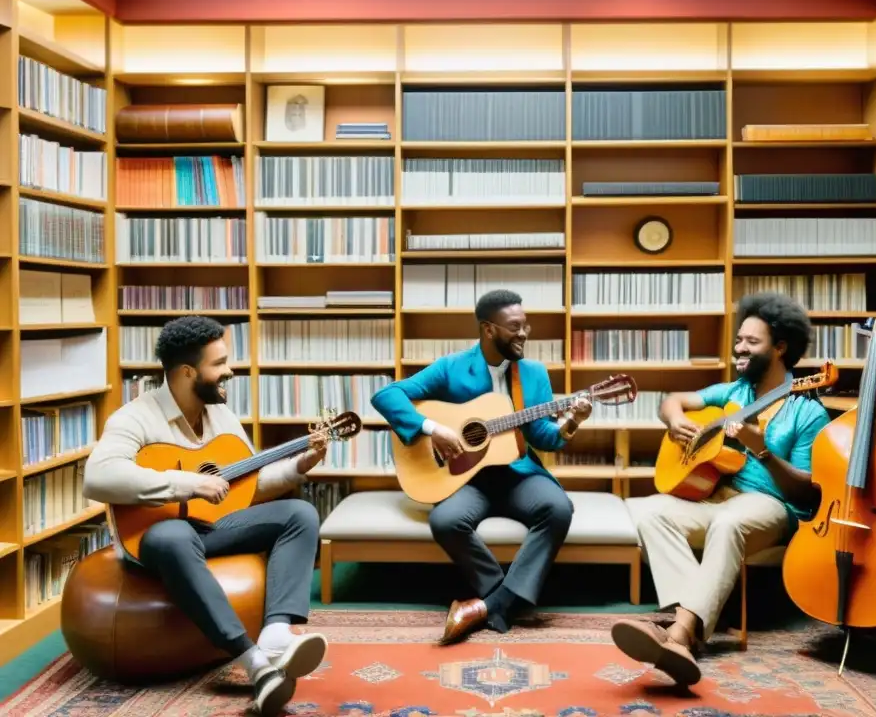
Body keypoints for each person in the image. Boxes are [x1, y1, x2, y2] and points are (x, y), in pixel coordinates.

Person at [83, 316, 328, 716]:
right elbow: (97, 478)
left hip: (212, 527)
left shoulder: (222, 417)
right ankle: (253, 663)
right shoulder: (134, 418)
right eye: (220, 363)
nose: (230, 371)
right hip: (156, 536)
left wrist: (301, 465)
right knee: (173, 536)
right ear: (187, 372)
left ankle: (276, 634)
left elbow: (249, 486)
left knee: (300, 513)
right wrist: (187, 484)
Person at [610, 292, 830, 687]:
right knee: (648, 509)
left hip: (770, 507)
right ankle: (692, 620)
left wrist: (760, 450)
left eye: (751, 342)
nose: (739, 349)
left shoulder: (807, 411)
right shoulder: (733, 393)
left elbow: (807, 492)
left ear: (780, 348)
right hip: (717, 497)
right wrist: (675, 420)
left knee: (728, 523)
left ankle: (679, 635)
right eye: (739, 340)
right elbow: (673, 400)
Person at [371, 289, 593, 644]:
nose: (523, 334)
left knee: (558, 509)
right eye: (514, 327)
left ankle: (494, 605)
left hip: (517, 474)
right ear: (488, 329)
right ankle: (501, 595)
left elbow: (542, 435)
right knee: (444, 520)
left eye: (526, 326)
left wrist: (570, 423)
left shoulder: (533, 374)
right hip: (464, 478)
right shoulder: (452, 367)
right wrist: (433, 428)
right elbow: (386, 396)